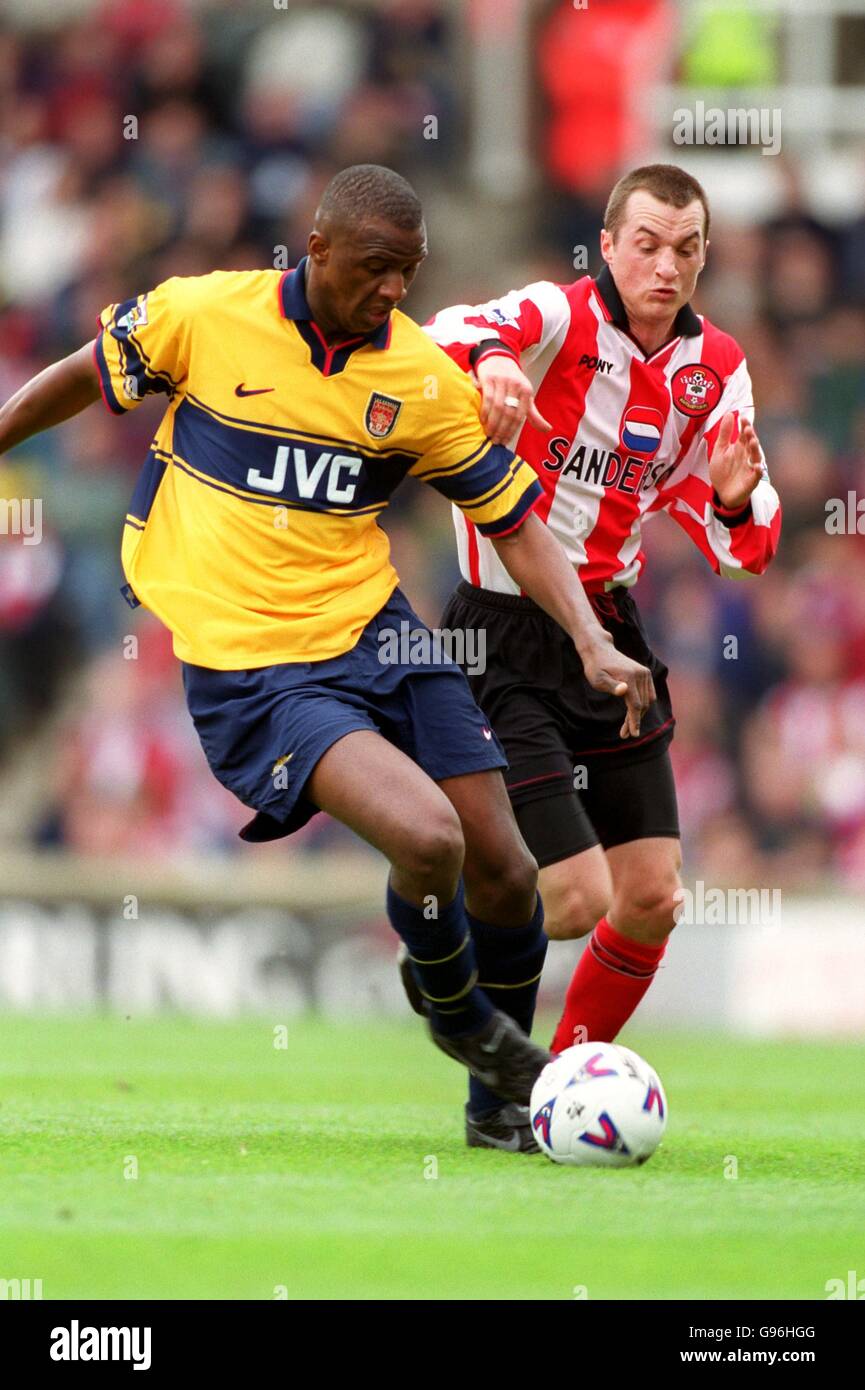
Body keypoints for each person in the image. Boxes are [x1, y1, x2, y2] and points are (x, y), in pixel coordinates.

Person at [0, 164, 655, 1149]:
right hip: (256, 665)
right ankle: (460, 1017)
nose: (394, 289)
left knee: (508, 873)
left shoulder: (423, 378)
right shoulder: (203, 316)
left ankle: (497, 1110)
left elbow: (514, 520)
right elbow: (88, 374)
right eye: (376, 268)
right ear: (317, 249)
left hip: (377, 630)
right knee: (429, 839)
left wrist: (592, 638)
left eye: (409, 272)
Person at [423, 164, 782, 1057]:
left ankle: (565, 1078)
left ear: (703, 256)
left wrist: (735, 500)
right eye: (648, 245)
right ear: (611, 246)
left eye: (686, 249)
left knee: (654, 895)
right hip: (497, 627)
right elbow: (445, 330)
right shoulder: (556, 315)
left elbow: (744, 550)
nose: (666, 266)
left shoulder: (716, 372)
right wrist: (498, 359)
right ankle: (438, 949)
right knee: (574, 899)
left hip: (608, 633)